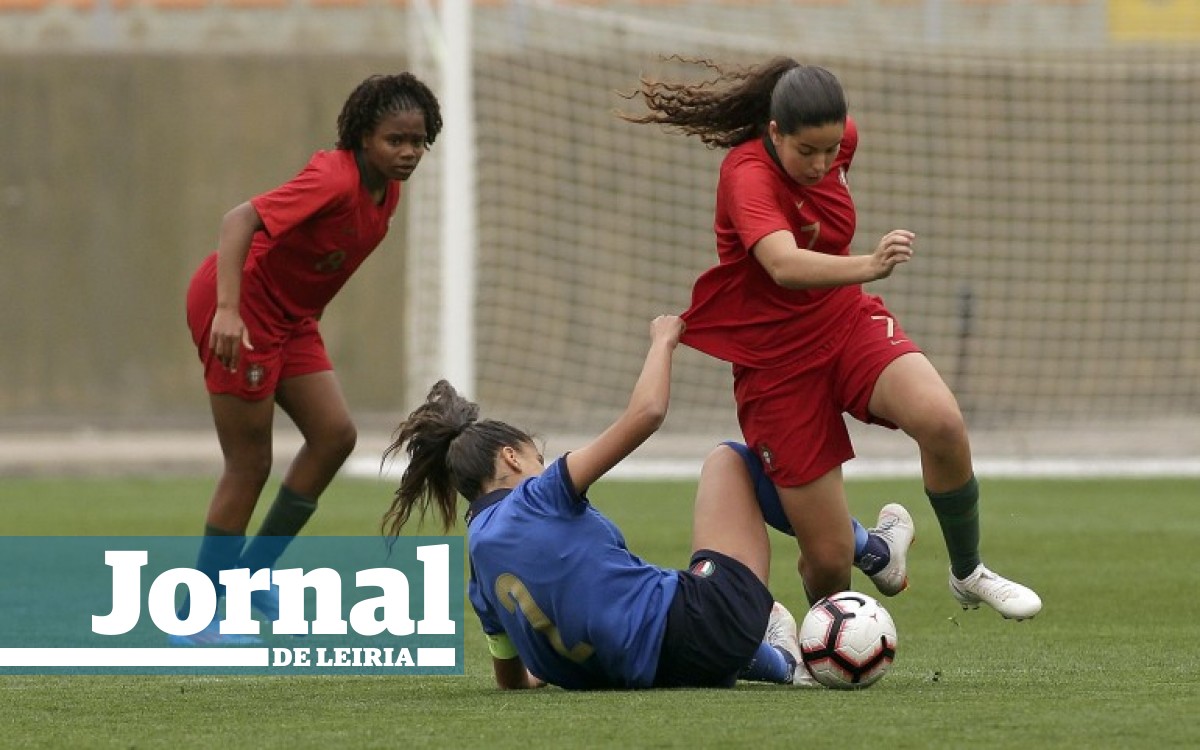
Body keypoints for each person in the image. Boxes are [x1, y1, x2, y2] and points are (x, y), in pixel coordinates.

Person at [619, 57, 1041, 620]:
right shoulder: (746, 175)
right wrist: (869, 264)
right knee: (829, 560)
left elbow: (822, 204)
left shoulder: (840, 142)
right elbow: (784, 265)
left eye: (831, 149)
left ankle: (969, 573)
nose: (823, 163)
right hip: (775, 367)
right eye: (807, 152)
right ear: (775, 132)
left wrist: (859, 274)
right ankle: (835, 633)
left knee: (941, 421)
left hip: (843, 323)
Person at [384, 316, 855, 689]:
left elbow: (512, 682)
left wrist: (558, 661)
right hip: (706, 626)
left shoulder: (478, 568)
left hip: (655, 671)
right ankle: (866, 544)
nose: (544, 466)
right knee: (728, 461)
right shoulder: (539, 495)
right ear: (511, 456)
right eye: (538, 457)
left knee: (648, 592)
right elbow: (647, 414)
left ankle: (776, 659)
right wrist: (663, 341)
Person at [174, 73, 443, 646]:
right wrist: (227, 309)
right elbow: (238, 220)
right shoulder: (333, 177)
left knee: (334, 436)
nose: (408, 152)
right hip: (240, 308)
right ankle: (197, 616)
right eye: (395, 140)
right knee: (249, 464)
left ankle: (250, 577)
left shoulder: (386, 191)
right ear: (363, 136)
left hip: (290, 319)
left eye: (418, 141)